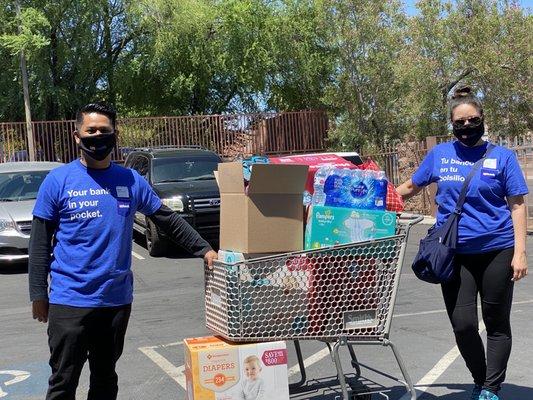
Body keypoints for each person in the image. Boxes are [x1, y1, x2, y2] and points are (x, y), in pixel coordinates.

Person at [28, 102, 218, 400]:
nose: (97, 136)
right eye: (90, 130)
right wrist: (38, 293)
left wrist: (205, 249)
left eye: (104, 130)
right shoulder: (58, 181)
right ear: (76, 135)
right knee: (64, 380)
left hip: (115, 301)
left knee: (105, 379)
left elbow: (165, 218)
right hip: (69, 301)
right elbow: (39, 243)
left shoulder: (130, 181)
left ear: (114, 134)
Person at [397, 87, 528, 400]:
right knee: (463, 324)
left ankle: (491, 390)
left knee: (496, 322)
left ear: (482, 119)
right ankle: (481, 379)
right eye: (461, 122)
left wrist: (521, 252)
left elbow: (517, 205)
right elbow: (409, 187)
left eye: (473, 120)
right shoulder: (440, 155)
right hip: (454, 254)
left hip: (498, 250)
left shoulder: (502, 157)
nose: (467, 126)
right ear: (452, 125)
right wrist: (368, 198)